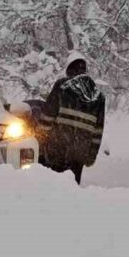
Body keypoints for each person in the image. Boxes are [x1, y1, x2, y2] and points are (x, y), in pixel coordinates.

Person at [38, 54, 106, 184]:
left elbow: (48, 116)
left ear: (69, 70)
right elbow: (98, 130)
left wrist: (39, 140)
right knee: (72, 188)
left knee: (52, 186)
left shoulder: (62, 86)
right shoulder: (99, 97)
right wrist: (91, 155)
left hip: (57, 147)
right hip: (79, 152)